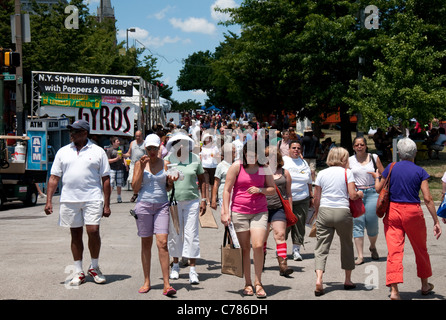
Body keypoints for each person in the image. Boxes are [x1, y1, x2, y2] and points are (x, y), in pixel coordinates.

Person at [370, 138, 442, 300]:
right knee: (420, 249)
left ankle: (394, 290)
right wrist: (436, 221)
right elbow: (428, 198)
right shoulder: (420, 171)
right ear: (415, 153)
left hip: (393, 211)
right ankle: (424, 285)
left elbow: (379, 189)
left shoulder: (391, 167)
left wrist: (377, 177)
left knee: (394, 251)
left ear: (399, 153)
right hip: (413, 212)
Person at [44, 120, 111, 286]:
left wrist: (107, 204)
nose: (71, 134)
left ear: (85, 133)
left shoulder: (98, 151)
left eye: (75, 131)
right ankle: (78, 270)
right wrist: (48, 200)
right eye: (71, 131)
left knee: (93, 230)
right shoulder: (63, 152)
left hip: (93, 198)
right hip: (69, 199)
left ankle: (94, 267)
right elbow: (54, 177)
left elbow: (105, 179)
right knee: (75, 234)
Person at [221, 141, 276, 298]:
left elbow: (272, 189)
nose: (252, 156)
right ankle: (248, 282)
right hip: (239, 212)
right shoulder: (237, 167)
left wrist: (260, 190)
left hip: (260, 211)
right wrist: (225, 211)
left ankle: (258, 282)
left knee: (258, 245)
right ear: (244, 154)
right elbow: (227, 190)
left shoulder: (264, 168)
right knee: (245, 248)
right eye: (249, 153)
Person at [313, 147, 363, 296]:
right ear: (343, 159)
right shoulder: (348, 173)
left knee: (321, 246)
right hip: (342, 211)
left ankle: (319, 279)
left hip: (325, 210)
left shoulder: (321, 173)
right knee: (347, 244)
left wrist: (317, 213)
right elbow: (352, 195)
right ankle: (347, 280)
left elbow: (316, 197)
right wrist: (360, 193)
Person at [131, 134, 177, 296]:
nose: (151, 151)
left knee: (162, 242)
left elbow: (169, 188)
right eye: (149, 148)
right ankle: (147, 280)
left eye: (154, 148)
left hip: (161, 205)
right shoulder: (139, 163)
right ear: (145, 148)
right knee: (146, 243)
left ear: (160, 148)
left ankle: (166, 283)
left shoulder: (166, 164)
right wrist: (142, 168)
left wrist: (171, 180)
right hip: (143, 205)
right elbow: (135, 188)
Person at [165, 131, 207, 285]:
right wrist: (169, 182)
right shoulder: (168, 159)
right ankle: (175, 265)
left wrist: (204, 199)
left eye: (183, 143)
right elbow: (164, 184)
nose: (180, 145)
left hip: (192, 201)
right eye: (177, 143)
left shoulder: (195, 159)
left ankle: (192, 269)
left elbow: (202, 179)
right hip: (173, 201)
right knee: (175, 233)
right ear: (174, 145)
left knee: (192, 234)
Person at [349, 136, 385, 265]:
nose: (359, 147)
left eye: (362, 145)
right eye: (357, 145)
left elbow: (384, 174)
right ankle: (360, 256)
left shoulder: (374, 158)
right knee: (357, 224)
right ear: (353, 147)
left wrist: (378, 180)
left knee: (372, 224)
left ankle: (373, 246)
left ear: (366, 146)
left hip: (372, 193)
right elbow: (346, 177)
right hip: (356, 194)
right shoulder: (349, 161)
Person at [264, 146, 293, 276]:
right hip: (262, 209)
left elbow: (288, 193)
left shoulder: (285, 172)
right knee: (262, 238)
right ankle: (261, 260)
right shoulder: (261, 171)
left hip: (279, 208)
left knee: (280, 235)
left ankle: (283, 265)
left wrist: (290, 211)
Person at [282, 140, 313, 261]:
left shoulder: (304, 162)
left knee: (299, 225)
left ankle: (296, 250)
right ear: (289, 149)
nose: (296, 150)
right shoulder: (284, 161)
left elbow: (309, 181)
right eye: (293, 148)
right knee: (284, 225)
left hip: (302, 198)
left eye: (298, 148)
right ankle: (281, 248)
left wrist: (311, 196)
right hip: (286, 199)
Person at [123, 131, 146, 202]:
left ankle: (139, 194)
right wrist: (123, 155)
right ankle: (136, 193)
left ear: (142, 136)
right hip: (133, 164)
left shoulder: (145, 143)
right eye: (136, 136)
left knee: (142, 180)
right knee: (131, 180)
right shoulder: (132, 143)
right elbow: (129, 153)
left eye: (139, 136)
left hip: (142, 164)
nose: (138, 138)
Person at [211, 143, 236, 209]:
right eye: (234, 152)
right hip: (223, 194)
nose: (235, 154)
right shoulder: (220, 166)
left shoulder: (237, 164)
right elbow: (216, 183)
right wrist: (213, 200)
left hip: (236, 194)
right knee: (226, 216)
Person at [200, 133, 220, 204]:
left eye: (209, 139)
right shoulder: (202, 148)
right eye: (207, 139)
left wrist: (216, 156)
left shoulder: (215, 147)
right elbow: (200, 158)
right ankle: (207, 199)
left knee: (213, 184)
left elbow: (218, 156)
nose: (208, 140)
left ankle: (213, 198)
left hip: (213, 166)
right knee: (206, 184)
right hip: (205, 166)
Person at [107, 136, 126, 203]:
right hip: (112, 169)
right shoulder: (110, 150)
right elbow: (108, 160)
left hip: (120, 168)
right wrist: (116, 159)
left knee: (119, 183)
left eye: (119, 141)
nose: (119, 142)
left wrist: (125, 163)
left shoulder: (120, 149)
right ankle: (108, 197)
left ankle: (119, 196)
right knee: (111, 183)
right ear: (113, 142)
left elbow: (123, 157)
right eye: (117, 141)